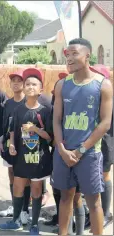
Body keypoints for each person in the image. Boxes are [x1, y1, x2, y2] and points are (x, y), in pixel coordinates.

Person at [52, 38, 113, 235]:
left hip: (89, 154)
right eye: (67, 54)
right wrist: (61, 149)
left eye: (74, 54)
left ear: (88, 56)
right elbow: (57, 120)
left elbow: (105, 124)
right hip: (64, 153)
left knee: (94, 202)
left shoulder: (103, 85)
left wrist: (80, 150)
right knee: (65, 197)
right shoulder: (61, 85)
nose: (69, 58)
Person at [0, 68, 53, 235]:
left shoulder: (45, 110)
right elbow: (13, 130)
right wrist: (12, 145)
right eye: (27, 84)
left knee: (36, 190)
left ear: (40, 89)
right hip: (21, 157)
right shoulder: (18, 109)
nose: (30, 87)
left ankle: (34, 224)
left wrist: (35, 129)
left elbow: (49, 137)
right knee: (17, 187)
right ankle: (15, 220)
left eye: (34, 84)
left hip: (39, 158)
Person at [46, 72, 86, 236]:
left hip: (77, 153)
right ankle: (66, 229)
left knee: (76, 197)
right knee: (61, 194)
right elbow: (52, 130)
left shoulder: (80, 107)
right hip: (59, 154)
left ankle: (80, 232)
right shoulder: (54, 106)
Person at [89, 64, 113, 228]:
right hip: (91, 140)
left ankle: (105, 214)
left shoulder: (108, 97)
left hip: (106, 141)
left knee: (104, 175)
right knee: (92, 176)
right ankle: (94, 213)